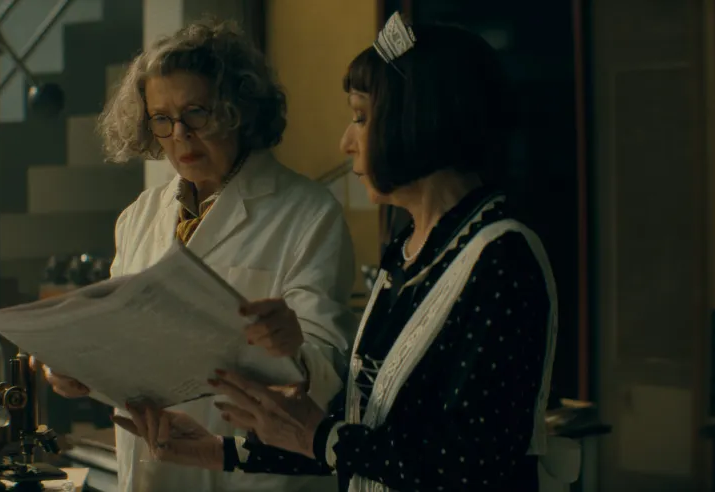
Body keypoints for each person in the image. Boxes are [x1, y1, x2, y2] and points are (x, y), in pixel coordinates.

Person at [112, 14, 559, 492]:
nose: (346, 142)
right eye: (162, 119)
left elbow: (471, 462)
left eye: (361, 118)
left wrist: (320, 434)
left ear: (418, 121)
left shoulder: (502, 258)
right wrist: (222, 451)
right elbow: (364, 425)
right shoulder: (408, 252)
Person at [39, 19, 356, 492]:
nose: (180, 135)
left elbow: (330, 370)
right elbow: (115, 336)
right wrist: (73, 366)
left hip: (252, 475)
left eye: (197, 113)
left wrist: (293, 347)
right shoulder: (138, 216)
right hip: (151, 468)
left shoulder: (309, 213)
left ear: (238, 109)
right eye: (161, 119)